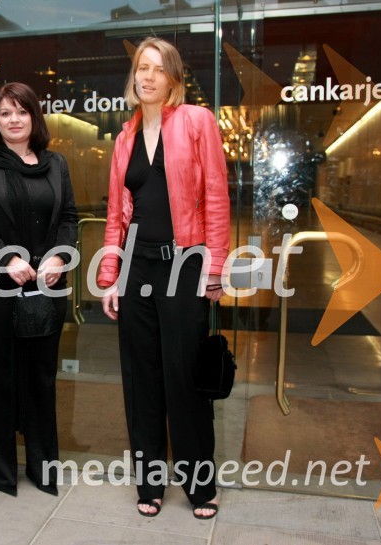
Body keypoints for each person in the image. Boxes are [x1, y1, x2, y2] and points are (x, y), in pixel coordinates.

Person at [98, 37, 230, 519]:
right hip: (137, 267)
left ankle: (200, 486)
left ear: (173, 78)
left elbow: (215, 196)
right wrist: (110, 275)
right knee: (141, 380)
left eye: (157, 68)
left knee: (184, 379)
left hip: (183, 265)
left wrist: (214, 268)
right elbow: (117, 215)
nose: (147, 77)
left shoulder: (197, 121)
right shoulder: (124, 137)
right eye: (141, 68)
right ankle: (150, 484)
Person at [0, 82, 78, 497]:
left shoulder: (55, 164)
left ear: (34, 116)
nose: (14, 119)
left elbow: (68, 217)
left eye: (21, 111)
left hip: (47, 286)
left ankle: (43, 468)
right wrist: (7, 258)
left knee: (41, 377)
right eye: (5, 112)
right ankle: (1, 471)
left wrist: (59, 258)